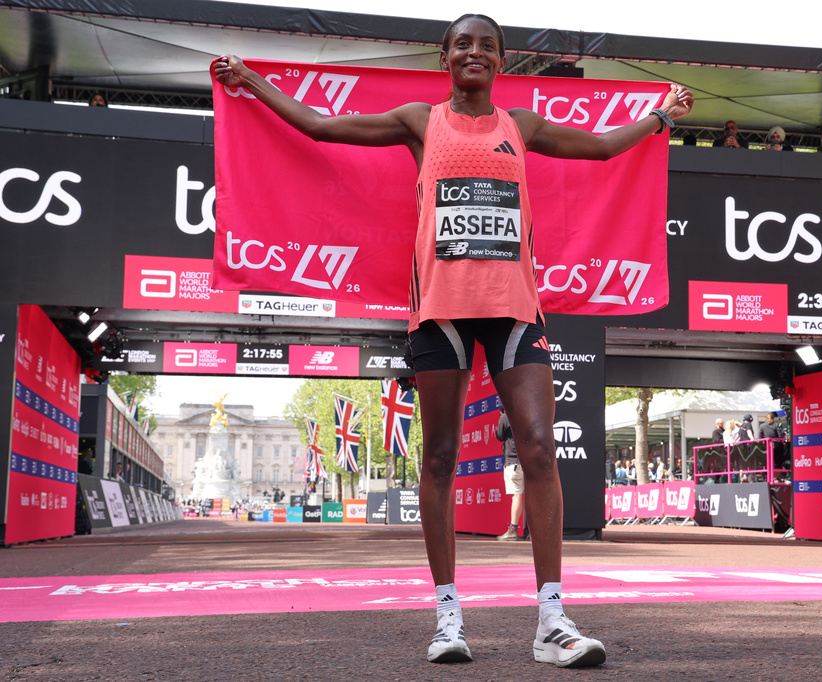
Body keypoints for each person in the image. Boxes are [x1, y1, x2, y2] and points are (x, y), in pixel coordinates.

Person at [214, 14, 693, 670]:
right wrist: (250, 82)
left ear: (501, 61)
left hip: (514, 311)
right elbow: (321, 126)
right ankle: (447, 616)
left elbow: (603, 148)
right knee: (437, 459)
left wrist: (661, 117)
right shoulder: (419, 120)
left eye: (487, 46)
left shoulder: (519, 127)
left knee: (541, 449)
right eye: (463, 43)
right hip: (439, 312)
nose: (475, 52)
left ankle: (552, 620)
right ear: (446, 57)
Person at [495, 406, 524, 541]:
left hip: (514, 462)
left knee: (517, 495)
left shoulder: (506, 416)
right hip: (525, 462)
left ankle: (513, 529)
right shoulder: (525, 415)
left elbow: (499, 436)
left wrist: (502, 417)